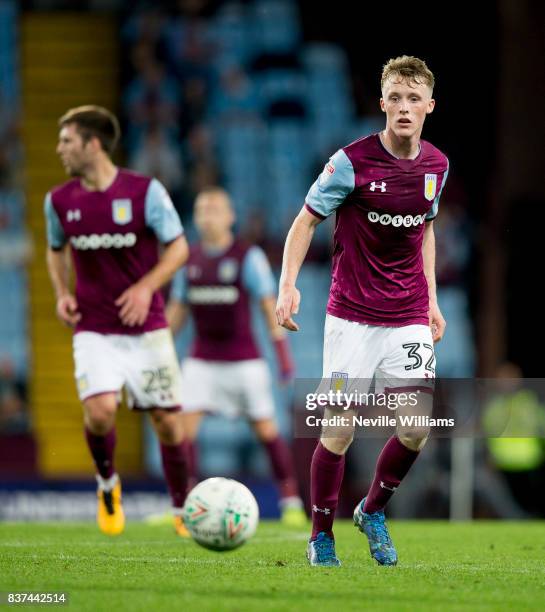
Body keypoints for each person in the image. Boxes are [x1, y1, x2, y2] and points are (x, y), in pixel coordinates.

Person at [276, 56, 449, 566]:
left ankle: (372, 510)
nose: (403, 107)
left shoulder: (437, 166)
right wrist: (287, 286)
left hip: (408, 315)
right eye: (395, 97)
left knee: (416, 426)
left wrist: (433, 299)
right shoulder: (350, 163)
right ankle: (320, 535)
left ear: (429, 107)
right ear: (381, 103)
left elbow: (426, 232)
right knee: (338, 428)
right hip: (349, 318)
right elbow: (305, 222)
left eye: (413, 98)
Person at [44, 105, 190, 537]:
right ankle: (108, 484)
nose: (60, 149)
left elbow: (178, 249)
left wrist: (147, 287)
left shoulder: (145, 192)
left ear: (93, 144)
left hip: (146, 329)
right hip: (94, 327)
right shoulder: (59, 200)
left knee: (166, 421)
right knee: (101, 411)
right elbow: (55, 249)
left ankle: (182, 507)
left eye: (67, 140)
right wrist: (61, 293)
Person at [166, 187, 306, 526]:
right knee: (182, 431)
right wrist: (156, 352)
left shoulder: (248, 257)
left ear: (230, 216)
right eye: (201, 210)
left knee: (266, 431)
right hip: (201, 359)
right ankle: (183, 506)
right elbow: (176, 314)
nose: (207, 216)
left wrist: (283, 357)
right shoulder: (189, 260)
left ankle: (290, 501)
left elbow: (265, 306)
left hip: (244, 360)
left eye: (215, 209)